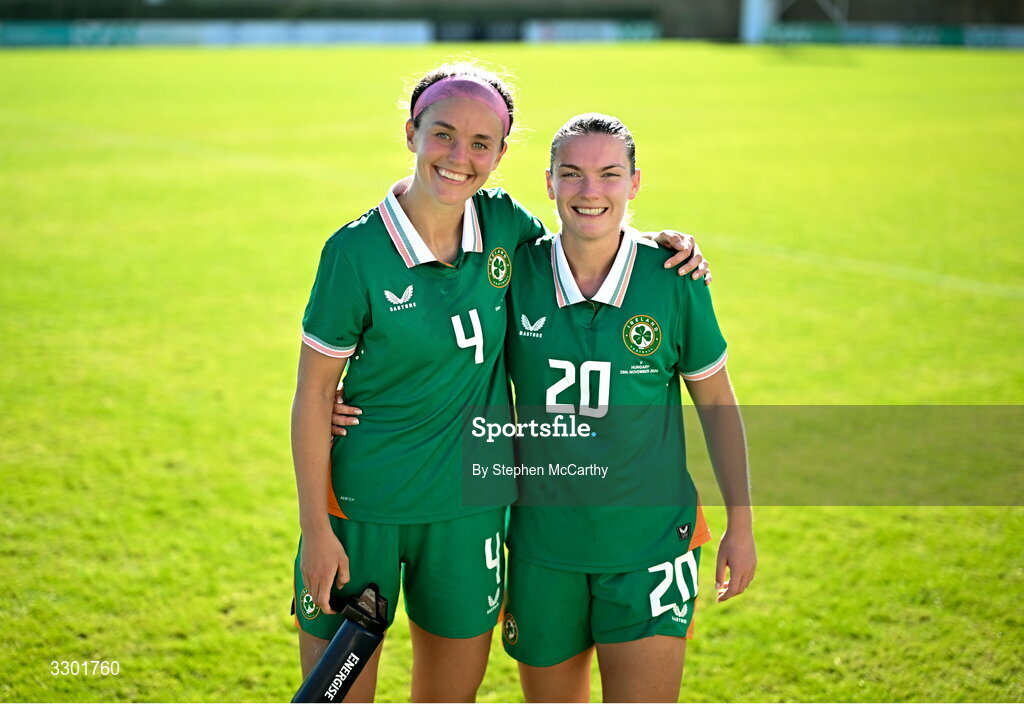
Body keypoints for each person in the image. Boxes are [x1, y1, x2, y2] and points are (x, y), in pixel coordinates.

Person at [293, 64, 707, 703]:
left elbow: (587, 235)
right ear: (411, 132)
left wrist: (661, 246)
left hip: (472, 511)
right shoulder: (354, 252)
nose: (460, 156)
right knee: (336, 696)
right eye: (443, 134)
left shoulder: (506, 226)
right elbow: (314, 393)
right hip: (361, 508)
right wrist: (317, 532)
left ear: (502, 153)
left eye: (481, 143)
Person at [498, 113, 756, 702]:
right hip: (543, 545)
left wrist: (740, 526)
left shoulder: (673, 278)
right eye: (573, 174)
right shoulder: (514, 272)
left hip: (649, 546)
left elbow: (717, 403)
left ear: (635, 183)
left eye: (609, 174)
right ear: (549, 182)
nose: (591, 192)